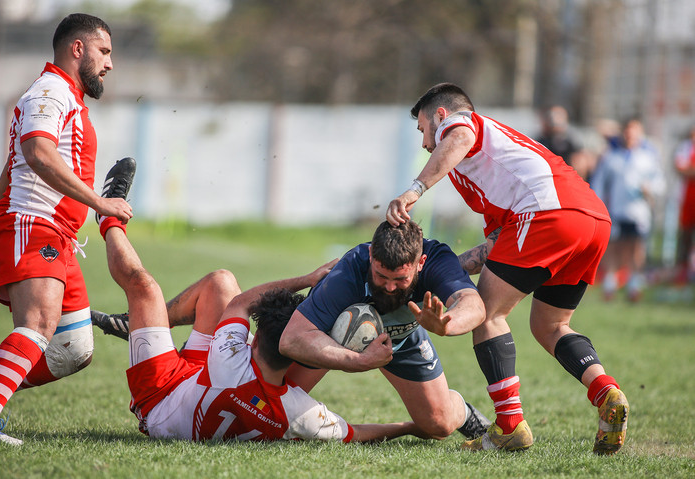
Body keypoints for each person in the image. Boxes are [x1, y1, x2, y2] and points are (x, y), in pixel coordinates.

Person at [386, 83, 628, 455]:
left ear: (440, 116)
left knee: (484, 312)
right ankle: (606, 392)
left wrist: (414, 190)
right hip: (591, 219)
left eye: (423, 130)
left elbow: (459, 136)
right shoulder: (490, 165)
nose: (424, 143)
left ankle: (510, 426)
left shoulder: (461, 125)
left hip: (547, 213)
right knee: (550, 326)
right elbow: (496, 246)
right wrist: (438, 270)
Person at [93, 213, 419, 443]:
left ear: (255, 338)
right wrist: (410, 427)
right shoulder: (298, 412)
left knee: (148, 287)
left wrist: (306, 279)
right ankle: (149, 323)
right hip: (204, 381)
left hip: (160, 398)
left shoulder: (230, 358)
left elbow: (241, 303)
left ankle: (108, 218)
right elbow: (356, 432)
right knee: (221, 285)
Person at [0, 14, 133, 445]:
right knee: (38, 324)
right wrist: (100, 202)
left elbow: (16, 160)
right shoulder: (50, 90)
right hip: (35, 225)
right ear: (77, 48)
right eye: (104, 52)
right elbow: (37, 152)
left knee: (73, 350)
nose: (110, 64)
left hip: (54, 235)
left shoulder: (66, 96)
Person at [277, 220, 492, 442]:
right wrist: (358, 360)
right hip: (332, 337)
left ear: (420, 263)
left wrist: (447, 325)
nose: (390, 287)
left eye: (400, 279)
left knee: (439, 424)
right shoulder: (348, 273)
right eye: (381, 276)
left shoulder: (437, 260)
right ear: (371, 255)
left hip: (403, 336)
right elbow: (292, 339)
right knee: (279, 409)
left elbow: (473, 306)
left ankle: (461, 413)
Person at [590, 118, 665, 302]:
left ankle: (634, 285)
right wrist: (599, 205)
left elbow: (659, 183)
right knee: (614, 246)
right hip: (616, 210)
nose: (630, 135)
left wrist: (650, 189)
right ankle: (610, 283)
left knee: (636, 247)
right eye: (627, 131)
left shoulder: (647, 158)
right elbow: (599, 182)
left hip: (638, 212)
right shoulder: (612, 157)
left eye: (634, 131)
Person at [672, 125, 695, 284]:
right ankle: (682, 273)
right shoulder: (684, 148)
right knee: (685, 237)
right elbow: (680, 168)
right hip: (687, 201)